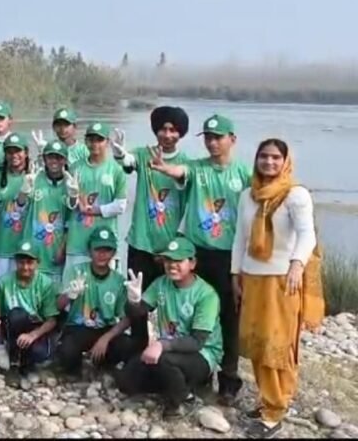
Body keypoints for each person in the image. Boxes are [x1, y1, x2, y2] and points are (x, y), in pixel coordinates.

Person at [150, 114, 252, 405]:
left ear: (232, 139)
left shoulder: (244, 174)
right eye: (208, 137)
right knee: (193, 313)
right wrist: (165, 168)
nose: (212, 142)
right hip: (197, 253)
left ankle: (229, 378)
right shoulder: (197, 168)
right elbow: (181, 170)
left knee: (229, 317)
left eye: (218, 137)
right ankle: (199, 369)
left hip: (229, 256)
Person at [231, 139, 321, 438]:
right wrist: (235, 273)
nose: (269, 162)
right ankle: (267, 398)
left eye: (275, 157)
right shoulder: (248, 195)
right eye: (263, 157)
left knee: (277, 345)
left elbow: (307, 235)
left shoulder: (296, 195)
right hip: (252, 278)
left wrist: (297, 264)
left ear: (285, 161)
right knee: (256, 343)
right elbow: (240, 238)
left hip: (283, 281)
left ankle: (275, 409)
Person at [119, 237, 224, 420]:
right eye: (168, 260)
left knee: (163, 360)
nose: (171, 265)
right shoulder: (161, 283)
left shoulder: (206, 295)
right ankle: (180, 386)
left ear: (192, 263)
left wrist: (161, 345)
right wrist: (133, 301)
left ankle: (179, 402)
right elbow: (137, 312)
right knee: (126, 381)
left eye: (178, 260)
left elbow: (197, 342)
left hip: (202, 354)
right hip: (169, 348)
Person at [115, 106, 191, 292]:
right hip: (141, 243)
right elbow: (129, 162)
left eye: (172, 130)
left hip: (170, 246)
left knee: (169, 300)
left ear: (180, 133)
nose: (167, 135)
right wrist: (121, 155)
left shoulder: (187, 162)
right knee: (136, 299)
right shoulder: (143, 154)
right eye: (162, 129)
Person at [55, 227, 136, 378]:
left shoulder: (119, 281)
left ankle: (102, 364)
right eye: (97, 249)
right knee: (66, 353)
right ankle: (76, 369)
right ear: (89, 250)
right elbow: (56, 306)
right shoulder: (75, 271)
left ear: (113, 253)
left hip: (105, 328)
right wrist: (69, 295)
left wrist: (106, 338)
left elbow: (126, 318)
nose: (102, 254)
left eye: (107, 250)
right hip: (78, 327)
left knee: (126, 345)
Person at [63, 122, 128, 282]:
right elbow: (69, 204)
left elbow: (121, 206)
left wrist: (93, 210)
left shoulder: (116, 170)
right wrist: (73, 197)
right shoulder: (75, 168)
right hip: (77, 241)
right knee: (73, 292)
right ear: (85, 142)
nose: (94, 144)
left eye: (99, 140)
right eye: (91, 140)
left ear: (107, 142)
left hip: (105, 242)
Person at [0, 241, 60, 381]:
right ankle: (13, 362)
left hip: (35, 326)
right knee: (17, 315)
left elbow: (52, 320)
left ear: (38, 263)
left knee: (40, 352)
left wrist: (33, 335)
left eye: (30, 262)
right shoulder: (4, 282)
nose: (25, 267)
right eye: (21, 262)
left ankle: (27, 364)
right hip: (12, 326)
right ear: (16, 262)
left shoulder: (46, 283)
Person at [18, 141, 72, 283]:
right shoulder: (35, 178)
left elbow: (70, 222)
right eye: (50, 157)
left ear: (65, 160)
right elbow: (19, 208)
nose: (54, 161)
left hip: (56, 252)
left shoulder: (70, 183)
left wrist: (62, 248)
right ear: (44, 159)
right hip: (33, 251)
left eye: (59, 157)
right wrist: (23, 192)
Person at [0, 133, 33, 289]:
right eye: (10, 152)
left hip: (24, 244)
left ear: (26, 153)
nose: (14, 155)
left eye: (18, 151)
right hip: (2, 243)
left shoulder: (33, 176)